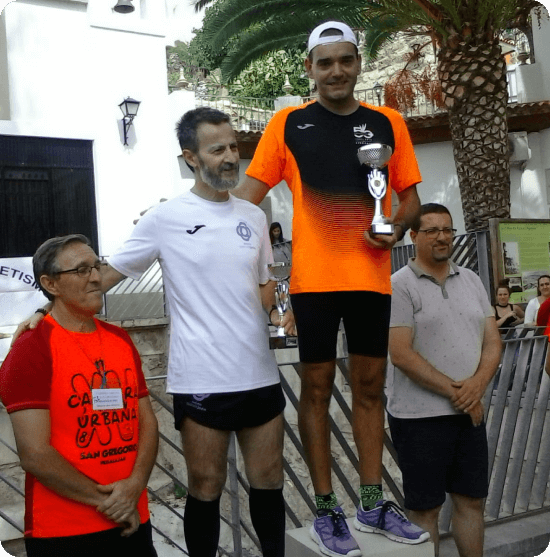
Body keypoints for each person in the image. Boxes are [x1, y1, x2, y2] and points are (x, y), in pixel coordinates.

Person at [15, 108, 295, 557]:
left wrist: (283, 309)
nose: (229, 157)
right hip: (201, 378)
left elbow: (263, 287)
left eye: (233, 147)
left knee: (270, 483)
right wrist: (42, 310)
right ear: (190, 158)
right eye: (216, 149)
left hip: (258, 373)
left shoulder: (254, 217)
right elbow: (102, 277)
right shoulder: (166, 217)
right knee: (206, 487)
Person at [231, 19, 425, 556]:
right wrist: (192, 232)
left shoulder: (389, 123)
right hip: (314, 285)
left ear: (358, 64)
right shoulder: (287, 124)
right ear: (310, 68)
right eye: (325, 62)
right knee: (315, 394)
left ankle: (369, 502)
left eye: (345, 60)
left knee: (368, 392)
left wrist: (397, 228)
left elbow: (408, 201)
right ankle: (325, 509)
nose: (336, 71)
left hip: (370, 281)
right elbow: (246, 202)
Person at [0, 234, 159, 557]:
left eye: (97, 265)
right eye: (82, 270)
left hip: (133, 518)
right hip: (65, 532)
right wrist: (110, 503)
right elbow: (34, 453)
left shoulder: (120, 339)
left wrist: (136, 485)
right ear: (51, 284)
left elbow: (148, 424)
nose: (97, 277)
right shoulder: (31, 349)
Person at [387, 203, 502, 557]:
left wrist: (478, 384)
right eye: (433, 230)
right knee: (425, 510)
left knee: (471, 502)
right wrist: (462, 392)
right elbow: (401, 354)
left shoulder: (470, 279)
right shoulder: (398, 286)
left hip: (469, 412)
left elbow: (493, 341)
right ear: (414, 236)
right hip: (419, 419)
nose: (442, 237)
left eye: (448, 230)